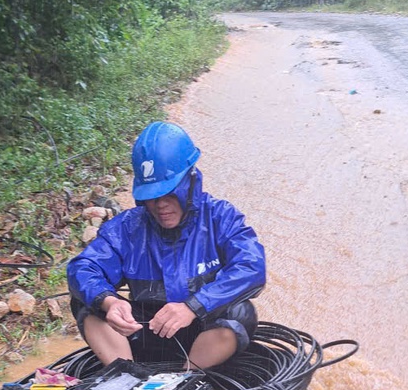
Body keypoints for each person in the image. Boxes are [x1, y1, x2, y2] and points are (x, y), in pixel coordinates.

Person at [67, 121, 265, 369]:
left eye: (170, 193)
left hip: (202, 332)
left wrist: (193, 307)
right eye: (152, 196)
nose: (161, 205)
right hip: (144, 334)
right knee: (86, 302)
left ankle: (186, 378)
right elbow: (83, 268)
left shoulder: (220, 217)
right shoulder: (126, 228)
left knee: (242, 313)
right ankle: (126, 374)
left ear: (190, 182)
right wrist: (111, 302)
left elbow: (252, 267)